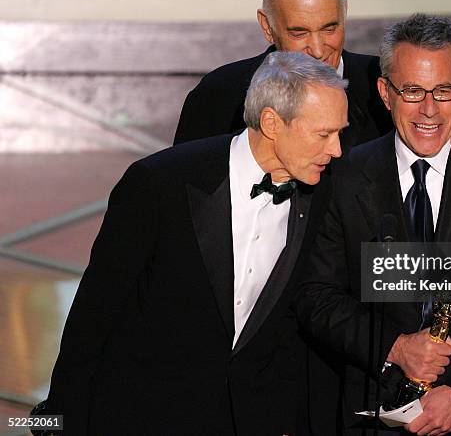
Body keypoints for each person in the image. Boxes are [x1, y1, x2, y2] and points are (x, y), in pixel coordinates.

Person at [34, 52, 349, 435]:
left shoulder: (323, 196)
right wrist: (63, 422)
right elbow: (93, 316)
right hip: (143, 417)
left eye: (339, 133)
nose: (336, 150)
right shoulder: (158, 184)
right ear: (271, 123)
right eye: (323, 134)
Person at [295, 14, 451, 435]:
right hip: (377, 412)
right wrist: (395, 348)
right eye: (412, 91)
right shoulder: (343, 176)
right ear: (385, 92)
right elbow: (316, 296)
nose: (429, 110)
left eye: (443, 91)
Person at [173, 0, 451, 152]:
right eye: (299, 32)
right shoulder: (218, 96)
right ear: (267, 27)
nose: (317, 49)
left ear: (345, 13)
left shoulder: (386, 84)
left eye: (330, 28)